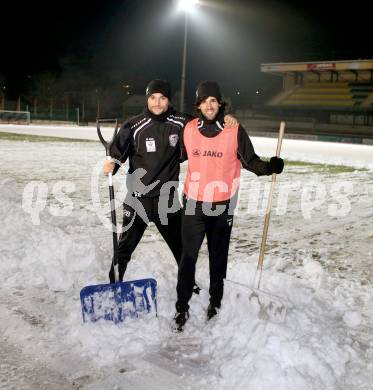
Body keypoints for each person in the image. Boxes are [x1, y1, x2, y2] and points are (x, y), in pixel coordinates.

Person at [173, 81, 284, 331]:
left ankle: (215, 303)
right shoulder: (189, 129)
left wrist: (270, 167)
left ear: (220, 103)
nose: (209, 105)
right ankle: (181, 308)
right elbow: (177, 155)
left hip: (222, 206)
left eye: (214, 101)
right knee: (187, 258)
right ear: (198, 104)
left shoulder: (234, 130)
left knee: (218, 258)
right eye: (204, 101)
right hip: (193, 204)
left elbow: (250, 161)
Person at [103, 79, 238, 284]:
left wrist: (225, 118)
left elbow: (208, 121)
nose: (157, 103)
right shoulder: (133, 125)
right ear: (147, 99)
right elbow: (116, 153)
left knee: (183, 250)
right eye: (153, 98)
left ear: (168, 100)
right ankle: (114, 285)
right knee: (123, 250)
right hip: (137, 200)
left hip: (167, 201)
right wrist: (112, 163)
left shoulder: (182, 122)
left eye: (162, 98)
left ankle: (189, 286)